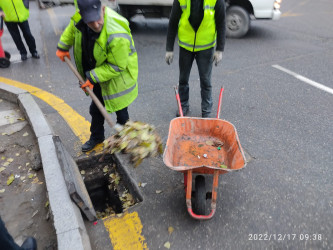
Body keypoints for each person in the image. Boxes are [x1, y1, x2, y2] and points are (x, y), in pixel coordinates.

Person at [56, 0, 138, 152]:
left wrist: (92, 77)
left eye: (98, 17)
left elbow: (117, 66)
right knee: (96, 109)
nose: (97, 23)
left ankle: (125, 138)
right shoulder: (79, 20)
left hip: (117, 78)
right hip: (96, 73)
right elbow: (72, 30)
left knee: (120, 110)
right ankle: (97, 137)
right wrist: (63, 46)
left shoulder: (116, 31)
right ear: (81, 16)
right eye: (91, 21)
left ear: (103, 8)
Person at [165, 0, 226, 118]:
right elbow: (173, 22)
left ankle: (206, 110)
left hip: (206, 47)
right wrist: (169, 49)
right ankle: (183, 106)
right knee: (183, 79)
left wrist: (219, 50)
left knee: (205, 80)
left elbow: (221, 23)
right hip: (185, 46)